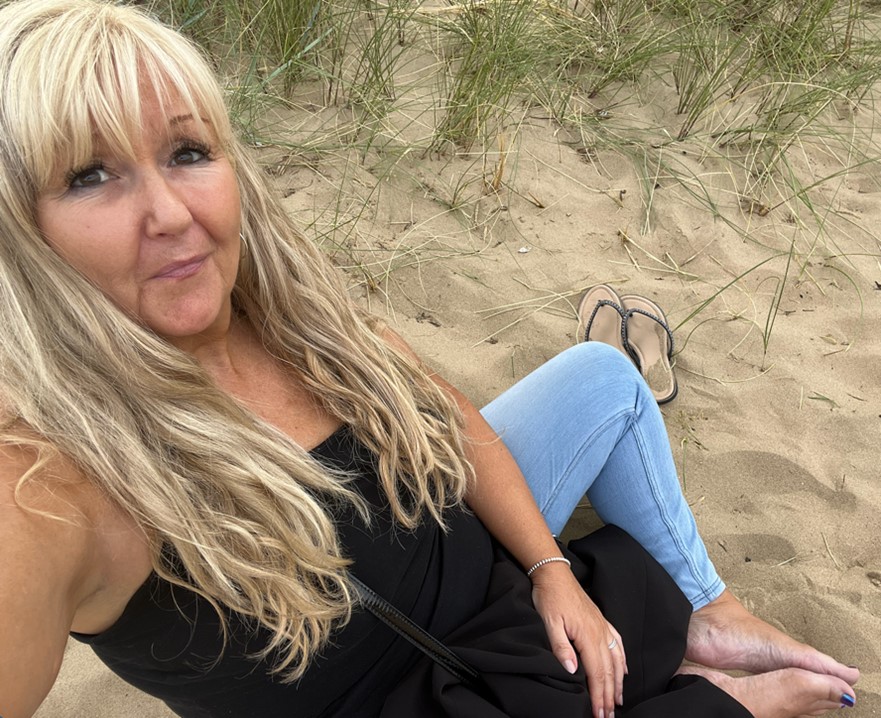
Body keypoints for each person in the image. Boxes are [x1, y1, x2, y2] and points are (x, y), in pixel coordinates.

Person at [0, 2, 859, 717]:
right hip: (416, 696)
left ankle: (708, 612)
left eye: (187, 153)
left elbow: (449, 417)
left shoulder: (287, 317)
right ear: (21, 235)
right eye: (88, 176)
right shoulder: (55, 485)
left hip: (490, 596)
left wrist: (552, 571)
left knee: (606, 377)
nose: (168, 213)